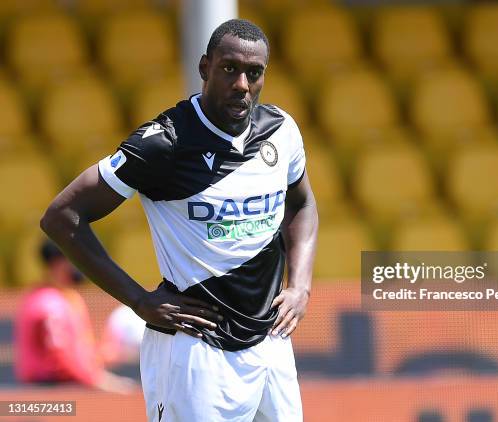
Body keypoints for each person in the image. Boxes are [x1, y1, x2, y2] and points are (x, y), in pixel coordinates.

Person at [41, 19, 318, 421]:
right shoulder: (163, 143)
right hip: (196, 350)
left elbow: (303, 204)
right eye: (229, 68)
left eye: (254, 73)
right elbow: (61, 216)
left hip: (271, 342)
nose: (242, 83)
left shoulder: (281, 131)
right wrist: (138, 300)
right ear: (205, 67)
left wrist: (302, 287)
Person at [14, 240, 135, 393]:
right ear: (58, 263)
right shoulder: (48, 303)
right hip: (49, 395)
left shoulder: (68, 297)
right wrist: (101, 381)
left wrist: (101, 355)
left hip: (68, 388)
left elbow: (77, 351)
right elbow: (62, 360)